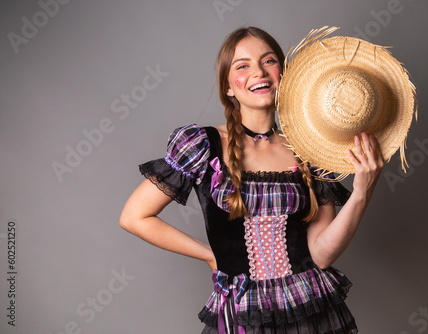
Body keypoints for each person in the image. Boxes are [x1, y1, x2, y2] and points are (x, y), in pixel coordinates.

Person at [119, 26, 384, 334]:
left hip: (310, 311)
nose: (259, 72)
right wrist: (208, 254)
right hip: (242, 314)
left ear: (283, 75)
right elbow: (134, 217)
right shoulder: (204, 145)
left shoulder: (310, 153)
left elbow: (322, 254)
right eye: (243, 65)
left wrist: (362, 192)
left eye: (269, 61)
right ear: (228, 86)